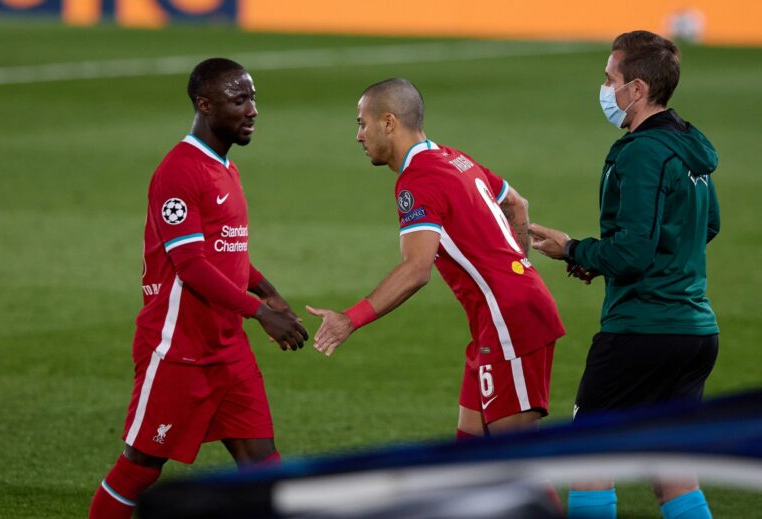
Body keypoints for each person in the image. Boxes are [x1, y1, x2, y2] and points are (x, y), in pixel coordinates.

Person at [88, 58, 308, 519]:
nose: (252, 110)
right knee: (140, 469)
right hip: (177, 351)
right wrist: (259, 312)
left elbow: (228, 251)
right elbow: (190, 264)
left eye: (253, 98)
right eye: (240, 99)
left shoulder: (225, 168)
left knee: (263, 468)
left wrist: (267, 290)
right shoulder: (179, 171)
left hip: (227, 350)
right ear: (204, 105)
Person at [306, 78, 565, 441]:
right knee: (468, 455)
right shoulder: (452, 157)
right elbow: (516, 204)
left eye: (362, 123)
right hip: (500, 317)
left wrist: (350, 319)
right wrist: (516, 268)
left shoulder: (418, 179)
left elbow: (416, 269)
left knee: (516, 467)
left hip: (510, 321)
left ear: (389, 123)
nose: (359, 135)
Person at [530, 31, 719, 519]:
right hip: (695, 333)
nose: (605, 88)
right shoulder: (691, 147)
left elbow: (634, 252)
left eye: (609, 78)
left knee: (590, 457)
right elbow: (706, 225)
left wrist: (575, 248)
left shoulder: (640, 152)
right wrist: (600, 257)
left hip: (642, 330)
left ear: (636, 89)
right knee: (671, 470)